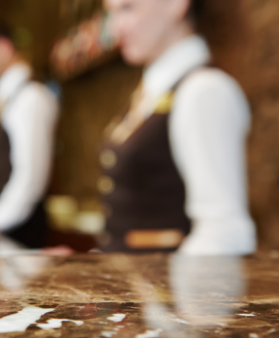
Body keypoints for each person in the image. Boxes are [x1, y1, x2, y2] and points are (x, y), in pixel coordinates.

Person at [98, 0, 255, 256]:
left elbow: (224, 233)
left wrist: (168, 296)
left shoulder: (204, 90)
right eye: (111, 14)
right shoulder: (151, 92)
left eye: (128, 8)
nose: (116, 28)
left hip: (164, 292)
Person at [0, 21, 60, 250]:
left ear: (3, 48)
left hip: (22, 236)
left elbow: (30, 179)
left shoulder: (31, 96)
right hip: (2, 234)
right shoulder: (3, 98)